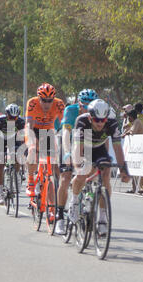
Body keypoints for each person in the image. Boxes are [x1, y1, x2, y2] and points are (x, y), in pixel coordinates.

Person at [69, 99, 130, 235]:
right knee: (82, 173)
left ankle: (102, 218)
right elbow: (77, 149)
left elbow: (118, 148)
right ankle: (73, 202)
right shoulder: (82, 121)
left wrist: (123, 170)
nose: (100, 123)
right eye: (97, 120)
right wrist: (78, 167)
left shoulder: (112, 124)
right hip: (83, 148)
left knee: (106, 173)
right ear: (90, 117)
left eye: (103, 120)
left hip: (99, 148)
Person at [56, 89, 98, 235]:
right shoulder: (70, 110)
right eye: (83, 105)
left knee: (93, 170)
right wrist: (67, 153)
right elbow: (66, 134)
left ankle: (88, 196)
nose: (86, 108)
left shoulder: (96, 111)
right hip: (70, 141)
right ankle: (60, 217)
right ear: (78, 104)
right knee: (65, 176)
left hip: (85, 142)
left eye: (89, 105)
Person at [25, 83, 64, 197]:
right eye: (44, 100)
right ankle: (31, 180)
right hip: (34, 129)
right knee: (33, 150)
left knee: (55, 161)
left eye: (50, 100)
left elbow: (64, 124)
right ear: (38, 98)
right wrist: (32, 143)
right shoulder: (32, 103)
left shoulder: (59, 104)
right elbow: (29, 125)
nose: (47, 103)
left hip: (48, 131)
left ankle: (56, 188)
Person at [0, 104, 25, 204]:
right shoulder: (0, 120)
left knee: (18, 156)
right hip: (1, 139)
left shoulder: (20, 121)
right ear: (6, 115)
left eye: (15, 118)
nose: (13, 119)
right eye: (11, 117)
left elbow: (22, 138)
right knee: (0, 164)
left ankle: (15, 175)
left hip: (14, 140)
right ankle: (0, 192)